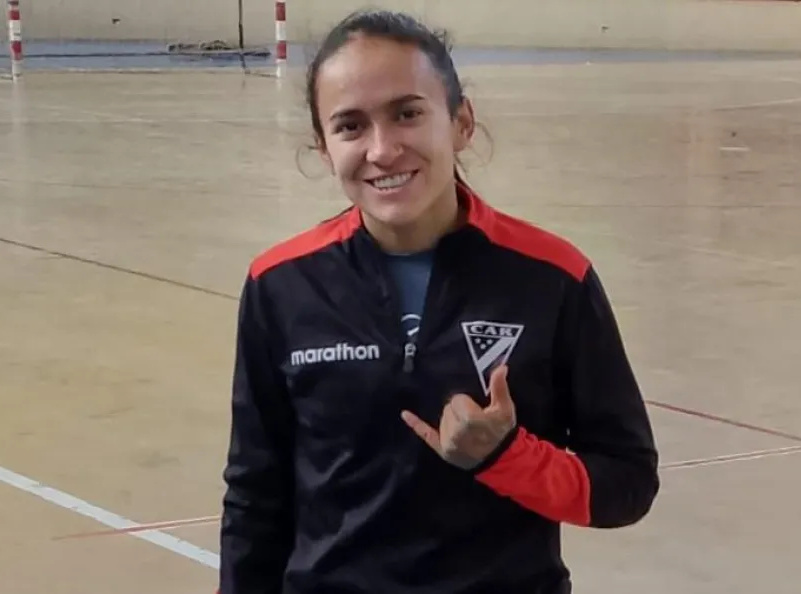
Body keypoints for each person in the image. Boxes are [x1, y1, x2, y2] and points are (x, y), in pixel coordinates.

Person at [218, 9, 659, 594]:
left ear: (461, 123)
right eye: (350, 126)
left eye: (407, 113)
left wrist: (507, 457)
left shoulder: (553, 278)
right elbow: (255, 495)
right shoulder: (280, 284)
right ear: (324, 149)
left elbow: (627, 484)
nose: (382, 150)